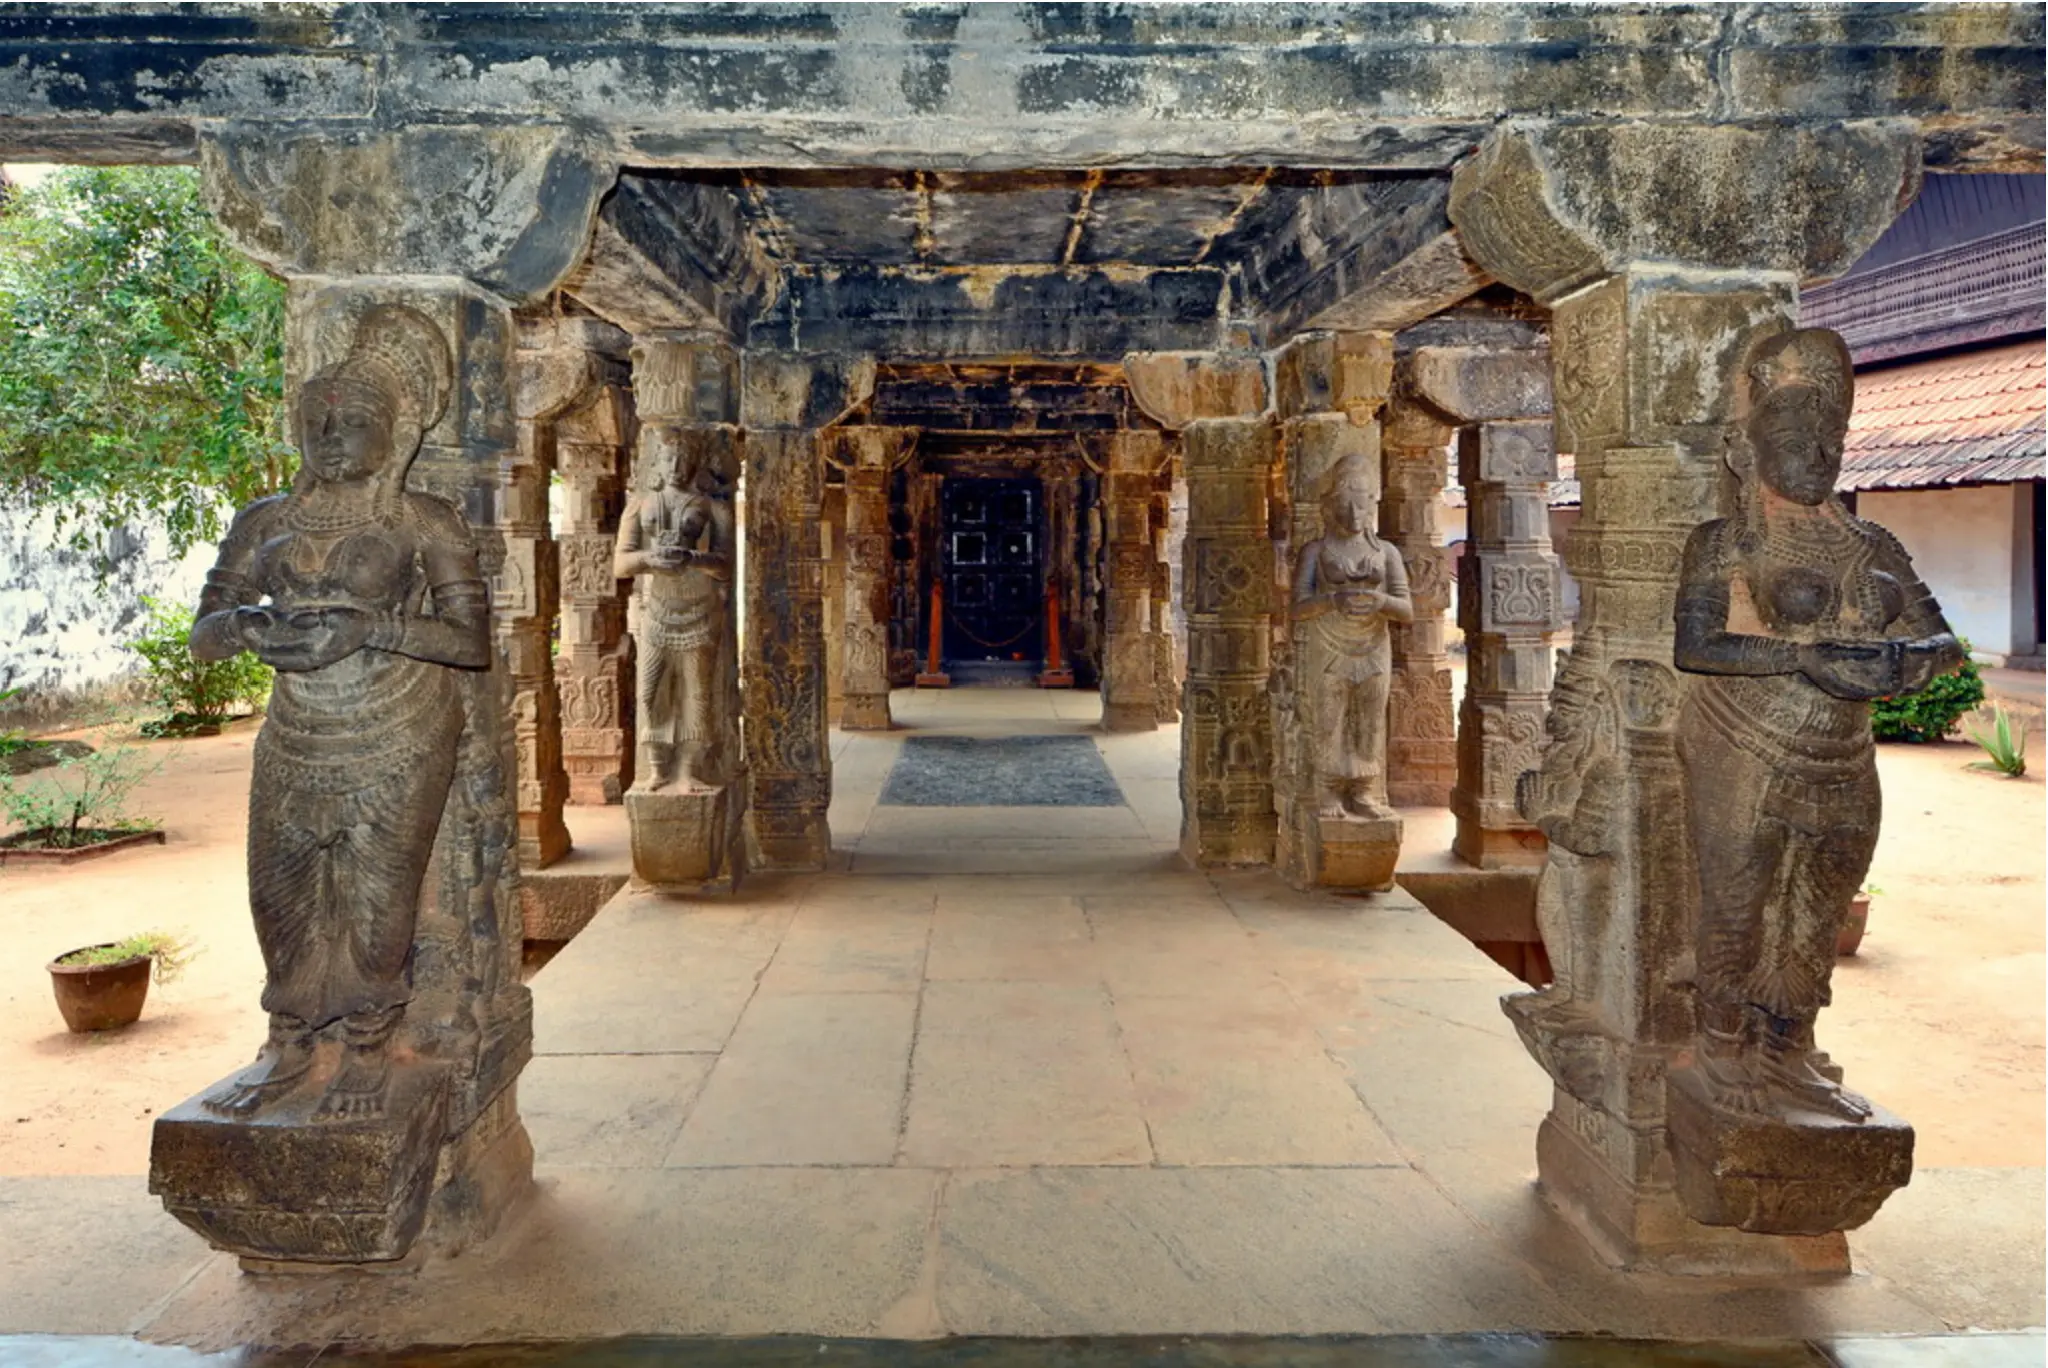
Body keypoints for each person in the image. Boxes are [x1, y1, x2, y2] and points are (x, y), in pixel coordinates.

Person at [190, 304, 487, 1122]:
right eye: (317, 421)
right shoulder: (267, 522)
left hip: (397, 730)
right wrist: (245, 625)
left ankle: (365, 1044)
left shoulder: (421, 522)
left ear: (393, 434)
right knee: (279, 897)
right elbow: (204, 633)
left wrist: (376, 628)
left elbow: (470, 641)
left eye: (354, 421)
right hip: (297, 731)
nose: (331, 436)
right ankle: (290, 1042)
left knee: (377, 900)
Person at [1673, 327, 1961, 1122]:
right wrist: (1800, 660)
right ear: (1748, 450)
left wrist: (1907, 665)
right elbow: (1697, 646)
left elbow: (1944, 644)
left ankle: (1787, 1050)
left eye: (1829, 440)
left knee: (1817, 910)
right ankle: (1723, 1040)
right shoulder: (1724, 543)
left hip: (1844, 757)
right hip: (1747, 749)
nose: (1818, 456)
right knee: (1738, 905)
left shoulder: (1874, 543)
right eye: (1796, 439)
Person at [613, 426, 736, 794]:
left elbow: (725, 565)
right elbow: (620, 564)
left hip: (700, 610)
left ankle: (689, 769)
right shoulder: (639, 505)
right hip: (658, 611)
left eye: (684, 458)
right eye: (669, 457)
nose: (676, 465)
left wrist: (692, 557)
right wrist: (650, 557)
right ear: (657, 461)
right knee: (650, 691)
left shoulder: (713, 508)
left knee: (698, 693)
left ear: (695, 462)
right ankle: (657, 766)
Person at [1291, 453, 1413, 820]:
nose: (1353, 513)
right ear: (1329, 507)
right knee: (1328, 718)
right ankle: (1326, 791)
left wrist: (1380, 601)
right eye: (1344, 503)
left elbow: (1406, 610)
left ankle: (1363, 790)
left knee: (1370, 720)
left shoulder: (1386, 552)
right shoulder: (1315, 551)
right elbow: (1297, 608)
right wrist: (1331, 600)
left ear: (1373, 505)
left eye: (1362, 504)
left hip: (1373, 645)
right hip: (1327, 643)